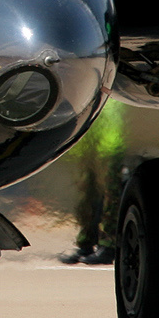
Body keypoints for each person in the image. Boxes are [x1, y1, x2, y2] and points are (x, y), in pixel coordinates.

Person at [60, 100, 126, 264]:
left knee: (111, 193)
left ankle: (109, 244)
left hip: (112, 142)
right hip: (93, 137)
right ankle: (86, 242)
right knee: (88, 191)